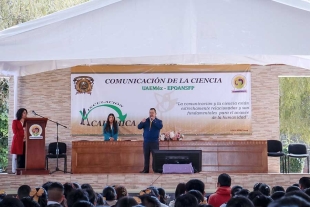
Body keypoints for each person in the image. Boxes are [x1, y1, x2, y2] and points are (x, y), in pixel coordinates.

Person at [138, 108, 163, 173]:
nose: (151, 114)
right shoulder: (146, 120)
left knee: (155, 157)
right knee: (146, 156)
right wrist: (141, 122)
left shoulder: (158, 121)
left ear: (155, 114)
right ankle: (146, 170)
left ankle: (156, 170)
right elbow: (139, 127)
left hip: (154, 142)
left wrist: (154, 120)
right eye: (150, 113)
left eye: (152, 113)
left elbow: (160, 126)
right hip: (146, 142)